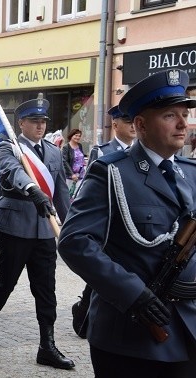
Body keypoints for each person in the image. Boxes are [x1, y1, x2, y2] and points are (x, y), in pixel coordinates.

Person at [58, 69, 196, 378]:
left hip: (187, 326)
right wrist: (133, 294)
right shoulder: (111, 172)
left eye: (184, 115)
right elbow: (75, 242)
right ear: (141, 125)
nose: (182, 124)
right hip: (129, 330)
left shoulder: (191, 174)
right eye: (169, 115)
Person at [0, 96, 75, 370]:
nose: (40, 126)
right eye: (34, 121)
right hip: (15, 226)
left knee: (46, 288)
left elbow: (61, 195)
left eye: (43, 121)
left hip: (45, 228)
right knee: (6, 282)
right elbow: (10, 172)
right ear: (21, 123)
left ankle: (47, 345)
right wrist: (33, 190)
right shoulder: (8, 146)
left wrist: (68, 228)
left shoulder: (54, 152)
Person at [71, 105, 136, 338]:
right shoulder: (102, 152)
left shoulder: (142, 152)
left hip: (135, 224)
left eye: (134, 122)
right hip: (110, 223)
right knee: (100, 276)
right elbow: (91, 191)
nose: (132, 126)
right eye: (127, 122)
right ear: (116, 124)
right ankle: (84, 315)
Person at [61, 128, 86, 198]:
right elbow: (64, 161)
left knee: (78, 194)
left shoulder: (80, 145)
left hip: (80, 175)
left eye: (79, 136)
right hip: (70, 176)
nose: (77, 137)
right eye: (76, 135)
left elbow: (81, 157)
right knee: (69, 194)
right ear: (71, 136)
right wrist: (72, 174)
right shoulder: (66, 147)